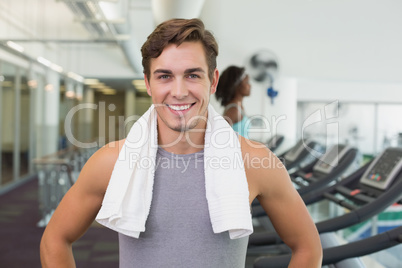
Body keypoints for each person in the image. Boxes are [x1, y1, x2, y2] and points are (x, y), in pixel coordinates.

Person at [40, 18, 322, 267]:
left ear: (212, 82)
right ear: (148, 84)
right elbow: (55, 240)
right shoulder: (111, 162)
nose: (178, 91)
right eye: (164, 76)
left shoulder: (255, 162)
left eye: (192, 75)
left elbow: (308, 249)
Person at [215, 65, 251, 139]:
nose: (250, 85)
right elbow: (221, 138)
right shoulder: (233, 110)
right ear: (237, 85)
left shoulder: (238, 107)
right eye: (247, 82)